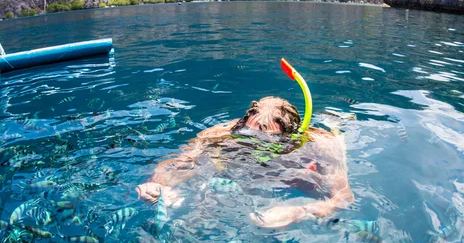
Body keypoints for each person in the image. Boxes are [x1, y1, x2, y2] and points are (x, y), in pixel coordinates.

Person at [136, 96, 353, 229]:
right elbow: (180, 161)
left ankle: (336, 122)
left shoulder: (322, 144)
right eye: (249, 135)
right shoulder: (224, 132)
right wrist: (160, 184)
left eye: (267, 140)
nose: (254, 145)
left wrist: (299, 212)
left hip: (294, 173)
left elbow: (343, 199)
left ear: (289, 136)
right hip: (239, 172)